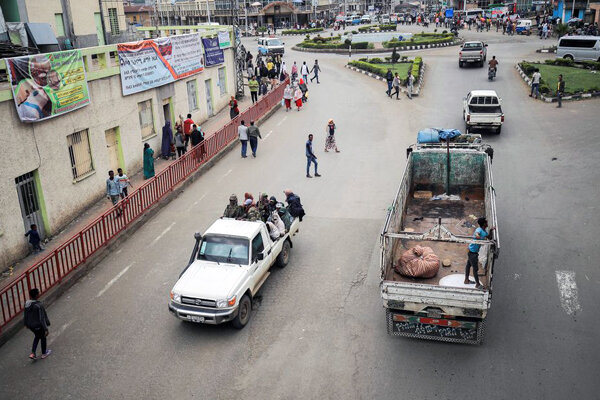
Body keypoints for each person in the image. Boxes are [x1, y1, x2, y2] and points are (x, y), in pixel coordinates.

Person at [464, 217, 495, 289]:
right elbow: (477, 234)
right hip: (473, 252)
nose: (487, 223)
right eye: (486, 222)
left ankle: (466, 280)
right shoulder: (479, 230)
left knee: (468, 265)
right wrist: (478, 236)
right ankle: (477, 284)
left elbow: (489, 237)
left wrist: (491, 230)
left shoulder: (484, 232)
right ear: (484, 224)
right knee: (475, 269)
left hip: (471, 251)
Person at [24, 288, 52, 360]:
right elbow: (41, 318)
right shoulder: (38, 305)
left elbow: (25, 314)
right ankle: (44, 353)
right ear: (36, 295)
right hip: (38, 325)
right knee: (43, 337)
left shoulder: (27, 303)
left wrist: (26, 324)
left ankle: (33, 353)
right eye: (38, 293)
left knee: (37, 336)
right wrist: (46, 329)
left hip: (30, 325)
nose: (39, 294)